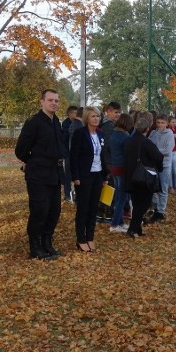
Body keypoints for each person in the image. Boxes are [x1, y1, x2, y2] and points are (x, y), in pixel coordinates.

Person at [14, 89, 66, 260]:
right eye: (50, 100)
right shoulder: (34, 122)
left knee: (54, 211)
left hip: (55, 173)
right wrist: (33, 161)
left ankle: (47, 244)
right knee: (39, 210)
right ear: (42, 102)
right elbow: (21, 149)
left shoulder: (56, 121)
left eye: (56, 101)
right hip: (38, 174)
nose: (54, 103)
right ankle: (35, 248)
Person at [70, 107, 105, 252]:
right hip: (84, 176)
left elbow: (103, 155)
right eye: (93, 116)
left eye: (98, 116)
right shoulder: (80, 134)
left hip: (98, 174)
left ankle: (90, 236)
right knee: (83, 208)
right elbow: (74, 156)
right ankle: (81, 238)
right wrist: (75, 176)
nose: (96, 118)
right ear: (86, 118)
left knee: (93, 208)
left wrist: (104, 176)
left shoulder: (100, 134)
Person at [124, 115, 164, 238]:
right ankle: (133, 228)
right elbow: (158, 156)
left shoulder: (129, 141)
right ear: (147, 129)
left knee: (136, 203)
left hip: (130, 176)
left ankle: (137, 228)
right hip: (143, 177)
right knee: (144, 203)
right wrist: (158, 168)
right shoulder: (146, 142)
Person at [108, 114, 134, 233]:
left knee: (119, 196)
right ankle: (114, 224)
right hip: (123, 168)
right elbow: (128, 153)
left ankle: (120, 222)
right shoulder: (125, 137)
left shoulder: (113, 134)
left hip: (114, 167)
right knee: (122, 198)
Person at [148, 114, 175, 220]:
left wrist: (155, 151)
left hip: (164, 164)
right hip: (153, 164)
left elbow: (167, 150)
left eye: (162, 123)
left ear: (167, 123)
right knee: (154, 187)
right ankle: (154, 207)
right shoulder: (154, 133)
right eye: (158, 122)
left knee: (163, 188)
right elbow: (148, 145)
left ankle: (161, 210)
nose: (160, 125)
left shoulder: (169, 134)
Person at [61, 105, 82, 202]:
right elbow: (65, 139)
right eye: (74, 112)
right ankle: (67, 194)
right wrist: (65, 152)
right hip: (68, 153)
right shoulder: (67, 124)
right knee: (68, 175)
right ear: (69, 114)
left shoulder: (73, 123)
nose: (76, 114)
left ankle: (72, 194)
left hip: (70, 153)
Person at [168, 116, 176, 193]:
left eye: (174, 122)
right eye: (172, 122)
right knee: (169, 170)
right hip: (170, 151)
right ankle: (170, 186)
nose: (174, 124)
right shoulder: (167, 129)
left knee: (175, 170)